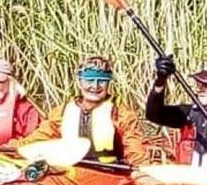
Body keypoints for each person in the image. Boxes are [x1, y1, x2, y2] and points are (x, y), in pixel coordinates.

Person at [15, 56, 150, 166]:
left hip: (109, 173)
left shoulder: (121, 114)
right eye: (89, 80)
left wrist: (144, 168)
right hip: (70, 171)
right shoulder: (61, 112)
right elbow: (37, 138)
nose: (95, 86)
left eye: (101, 81)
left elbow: (134, 150)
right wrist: (8, 148)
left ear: (109, 83)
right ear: (79, 82)